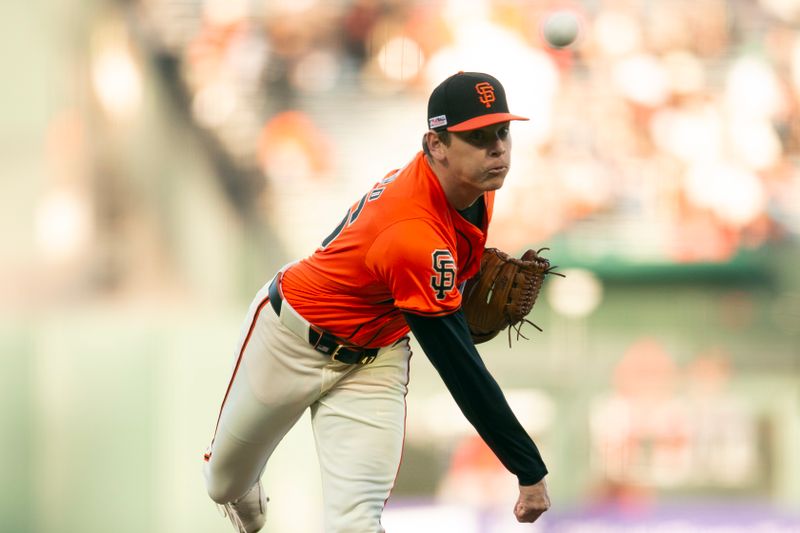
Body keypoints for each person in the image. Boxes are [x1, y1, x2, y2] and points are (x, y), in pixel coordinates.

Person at [203, 71, 551, 533]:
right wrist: (528, 468)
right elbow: (459, 369)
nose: (498, 148)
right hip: (291, 339)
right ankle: (240, 486)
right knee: (222, 485)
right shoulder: (411, 231)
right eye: (477, 136)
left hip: (375, 360)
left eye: (503, 132)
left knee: (356, 524)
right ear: (436, 145)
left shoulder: (475, 189)